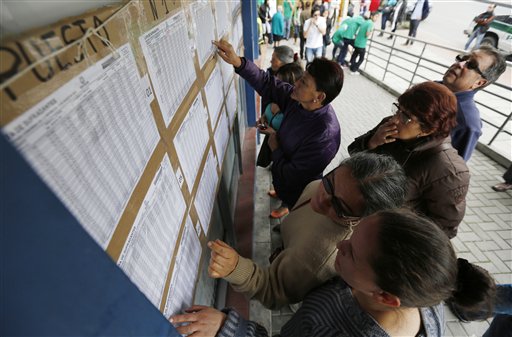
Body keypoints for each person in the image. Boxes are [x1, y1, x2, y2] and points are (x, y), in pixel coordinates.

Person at [171, 209, 497, 337]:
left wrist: (227, 328)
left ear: (385, 296)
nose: (340, 246)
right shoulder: (427, 293)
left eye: (351, 252)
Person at [205, 152, 407, 309]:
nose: (323, 197)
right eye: (329, 181)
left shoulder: (321, 257)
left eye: (340, 206)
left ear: (363, 218)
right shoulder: (317, 186)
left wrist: (234, 268)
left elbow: (273, 291)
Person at [213, 39, 343, 214]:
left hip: (299, 192)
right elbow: (267, 83)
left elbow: (294, 175)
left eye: (303, 83)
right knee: (281, 186)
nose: (296, 84)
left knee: (292, 205)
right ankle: (280, 192)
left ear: (319, 97)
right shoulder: (298, 100)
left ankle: (287, 207)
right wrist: (237, 62)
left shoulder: (325, 136)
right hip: (282, 170)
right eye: (301, 79)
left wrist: (275, 147)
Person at [348, 81, 469, 238]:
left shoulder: (449, 171)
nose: (395, 119)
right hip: (356, 209)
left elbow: (444, 229)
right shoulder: (389, 126)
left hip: (386, 232)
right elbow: (353, 153)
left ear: (428, 129)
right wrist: (372, 142)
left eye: (405, 117)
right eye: (398, 109)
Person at [442, 46, 507, 161]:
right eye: (462, 58)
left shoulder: (468, 123)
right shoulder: (431, 87)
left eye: (471, 65)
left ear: (479, 82)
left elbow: (452, 171)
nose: (460, 64)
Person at [257, 63, 305, 217]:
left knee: (287, 178)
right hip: (272, 145)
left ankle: (286, 205)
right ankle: (279, 191)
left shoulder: (295, 110)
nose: (276, 87)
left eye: (280, 83)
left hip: (285, 151)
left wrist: (271, 131)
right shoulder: (275, 96)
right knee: (276, 171)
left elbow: (291, 134)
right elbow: (267, 114)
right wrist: (263, 119)